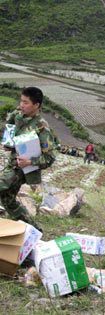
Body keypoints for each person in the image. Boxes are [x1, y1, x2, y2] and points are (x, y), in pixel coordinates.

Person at [0, 87, 56, 231]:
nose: (21, 105)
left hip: (23, 170)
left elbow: (49, 157)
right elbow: (10, 128)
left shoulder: (41, 127)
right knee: (8, 201)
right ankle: (35, 230)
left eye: (25, 102)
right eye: (21, 101)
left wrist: (30, 162)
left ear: (36, 105)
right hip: (12, 164)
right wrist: (9, 144)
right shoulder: (18, 115)